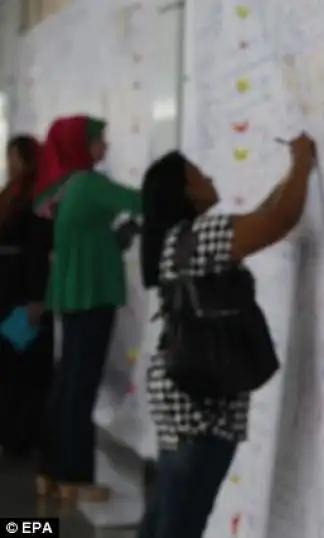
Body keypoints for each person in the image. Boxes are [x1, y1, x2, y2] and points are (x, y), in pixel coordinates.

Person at [137, 133, 315, 538]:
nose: (208, 176)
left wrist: (295, 168)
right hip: (201, 411)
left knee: (168, 516)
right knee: (180, 524)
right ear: (184, 190)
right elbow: (278, 220)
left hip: (184, 400)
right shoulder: (199, 237)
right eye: (198, 173)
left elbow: (264, 214)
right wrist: (303, 163)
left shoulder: (181, 241)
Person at [36, 115, 142, 501]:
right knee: (80, 387)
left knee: (67, 383)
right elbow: (141, 202)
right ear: (82, 146)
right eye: (99, 141)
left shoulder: (64, 188)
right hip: (92, 295)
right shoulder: (90, 184)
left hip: (72, 295)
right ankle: (74, 479)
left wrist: (118, 238)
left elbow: (87, 239)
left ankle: (49, 473)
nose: (105, 148)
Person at [0, 135, 54, 460]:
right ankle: (15, 435)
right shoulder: (18, 195)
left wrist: (36, 297)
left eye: (14, 157)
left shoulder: (29, 197)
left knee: (23, 367)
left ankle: (19, 435)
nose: (10, 164)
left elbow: (36, 251)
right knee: (17, 367)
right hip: (12, 292)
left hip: (20, 293)